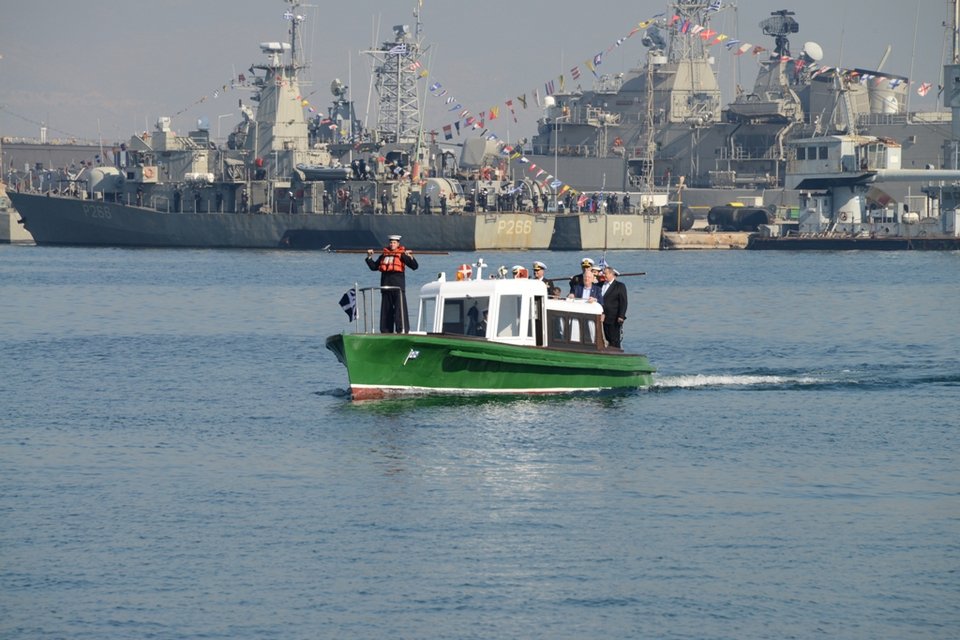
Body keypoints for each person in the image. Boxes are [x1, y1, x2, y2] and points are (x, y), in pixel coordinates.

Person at [366, 234, 419, 333]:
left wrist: (411, 257)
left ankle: (402, 330)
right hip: (386, 287)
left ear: (398, 244)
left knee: (400, 310)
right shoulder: (384, 255)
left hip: (398, 288)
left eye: (394, 243)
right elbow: (374, 267)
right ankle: (386, 330)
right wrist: (369, 257)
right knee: (386, 310)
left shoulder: (402, 255)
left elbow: (415, 266)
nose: (392, 244)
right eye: (391, 242)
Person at [600, 265, 628, 348]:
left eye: (605, 274)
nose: (604, 275)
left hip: (613, 318)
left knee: (614, 339)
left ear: (611, 274)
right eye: (603, 273)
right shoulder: (600, 285)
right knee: (602, 339)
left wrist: (621, 316)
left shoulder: (619, 286)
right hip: (601, 317)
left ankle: (616, 352)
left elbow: (624, 302)